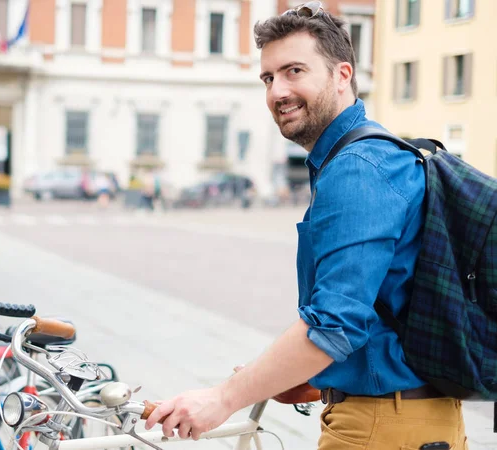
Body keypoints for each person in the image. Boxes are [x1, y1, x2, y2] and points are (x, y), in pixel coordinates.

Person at [144, 2, 469, 449]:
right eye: (268, 77)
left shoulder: (358, 168)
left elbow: (334, 325)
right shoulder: (365, 157)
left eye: (294, 70)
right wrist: (312, 379)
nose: (278, 90)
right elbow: (393, 309)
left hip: (380, 428)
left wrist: (222, 399)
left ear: (342, 74)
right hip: (406, 418)